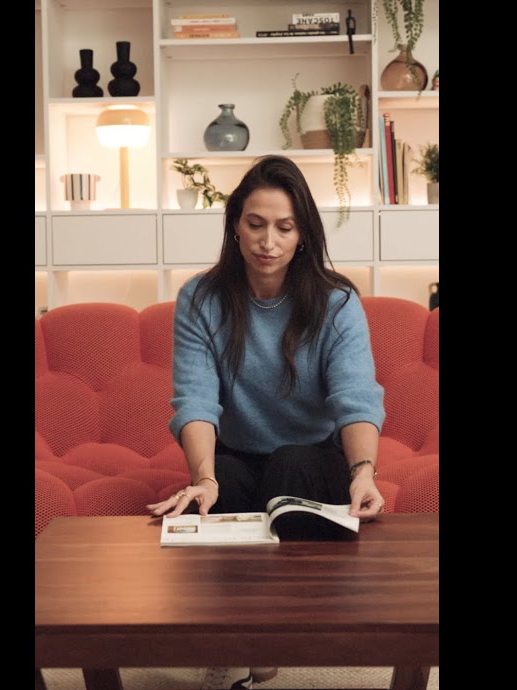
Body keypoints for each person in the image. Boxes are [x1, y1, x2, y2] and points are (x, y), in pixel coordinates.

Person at [147, 155, 386, 533]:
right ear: (236, 225)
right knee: (222, 481)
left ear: (302, 234)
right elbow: (195, 400)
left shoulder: (337, 302)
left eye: (285, 228)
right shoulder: (200, 299)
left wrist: (363, 473)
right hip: (235, 455)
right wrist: (205, 479)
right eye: (255, 224)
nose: (268, 242)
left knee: (289, 466)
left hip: (313, 457)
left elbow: (355, 397)